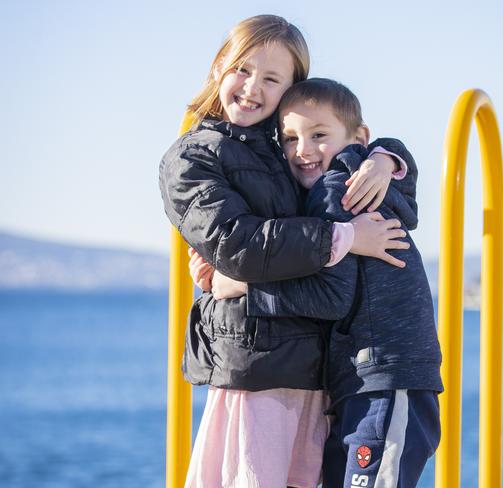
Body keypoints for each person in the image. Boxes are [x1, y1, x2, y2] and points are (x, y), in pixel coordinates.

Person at [159, 15, 412, 488]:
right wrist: (346, 239)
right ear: (219, 68)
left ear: (291, 93)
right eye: (243, 69)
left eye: (272, 79)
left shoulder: (285, 151)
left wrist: (385, 156)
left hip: (314, 370)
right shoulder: (195, 156)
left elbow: (346, 137)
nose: (253, 87)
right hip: (256, 368)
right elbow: (240, 247)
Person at [205, 78, 443, 488]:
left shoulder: (337, 188)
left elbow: (331, 295)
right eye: (290, 138)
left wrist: (246, 286)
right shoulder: (365, 174)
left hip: (386, 375)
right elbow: (406, 177)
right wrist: (386, 156)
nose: (303, 150)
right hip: (368, 377)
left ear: (358, 137)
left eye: (318, 135)